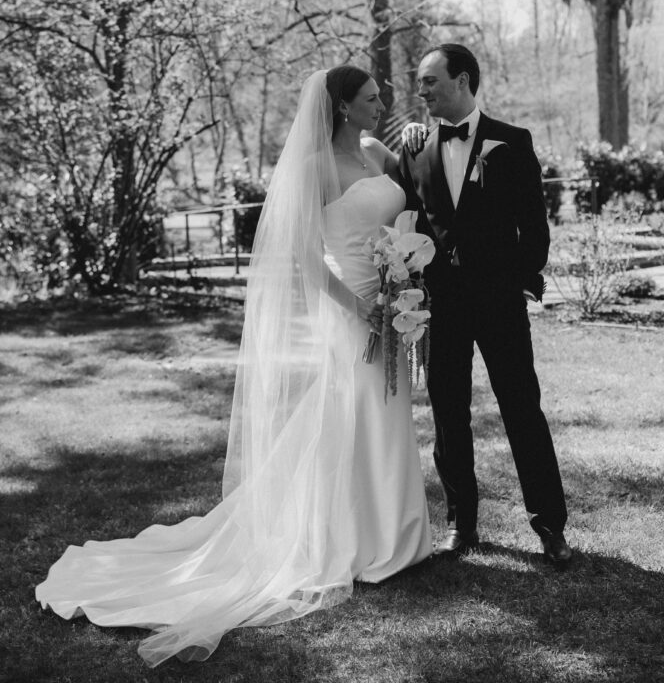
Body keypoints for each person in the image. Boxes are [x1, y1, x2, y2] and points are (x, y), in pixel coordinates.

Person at [35, 65, 432, 666]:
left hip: (393, 299)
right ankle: (358, 539)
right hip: (352, 307)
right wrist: (362, 306)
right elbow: (306, 260)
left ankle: (397, 533)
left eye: (380, 96)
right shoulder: (313, 169)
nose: (382, 105)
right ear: (342, 106)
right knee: (358, 404)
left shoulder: (378, 152)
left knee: (386, 406)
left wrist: (403, 278)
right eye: (371, 98)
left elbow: (408, 204)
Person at [398, 43, 571, 566]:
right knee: (449, 414)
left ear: (463, 80)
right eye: (420, 82)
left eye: (430, 80)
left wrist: (520, 281)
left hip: (499, 304)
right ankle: (461, 523)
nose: (421, 91)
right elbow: (408, 225)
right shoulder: (415, 148)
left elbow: (534, 225)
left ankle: (550, 525)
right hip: (441, 307)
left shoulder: (512, 142)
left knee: (522, 409)